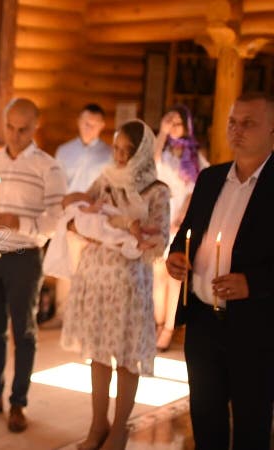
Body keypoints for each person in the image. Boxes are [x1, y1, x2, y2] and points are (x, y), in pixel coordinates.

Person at [166, 92, 274, 450]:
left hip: (256, 327)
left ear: (272, 129)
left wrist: (253, 283)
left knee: (251, 423)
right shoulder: (210, 178)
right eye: (232, 122)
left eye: (249, 123)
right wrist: (176, 258)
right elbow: (186, 236)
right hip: (202, 322)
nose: (237, 130)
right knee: (206, 418)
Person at [61, 119, 170, 450]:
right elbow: (79, 211)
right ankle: (98, 424)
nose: (120, 157)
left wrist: (125, 230)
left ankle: (120, 427)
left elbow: (160, 239)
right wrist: (89, 223)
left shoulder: (157, 190)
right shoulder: (106, 179)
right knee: (98, 354)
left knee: (125, 356)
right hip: (96, 278)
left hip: (128, 284)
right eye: (117, 149)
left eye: (128, 151)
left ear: (142, 153)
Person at [0, 98, 66, 432]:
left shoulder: (48, 168)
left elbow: (56, 220)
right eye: (10, 127)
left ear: (35, 127)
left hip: (24, 260)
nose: (15, 134)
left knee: (24, 332)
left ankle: (18, 403)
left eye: (23, 129)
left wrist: (19, 221)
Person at [45, 104, 113, 329]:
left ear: (102, 125)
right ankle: (63, 313)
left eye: (93, 124)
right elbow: (57, 183)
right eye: (85, 122)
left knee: (90, 266)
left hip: (94, 217)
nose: (88, 127)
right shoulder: (64, 151)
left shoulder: (108, 154)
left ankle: (87, 317)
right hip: (68, 215)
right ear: (78, 122)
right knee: (66, 261)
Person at [152, 104, 209, 351]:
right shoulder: (161, 151)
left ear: (187, 125)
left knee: (174, 275)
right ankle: (157, 321)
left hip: (181, 216)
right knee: (157, 274)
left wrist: (185, 215)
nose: (174, 126)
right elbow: (150, 164)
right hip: (160, 214)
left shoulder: (195, 155)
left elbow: (199, 187)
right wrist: (162, 133)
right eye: (169, 121)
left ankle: (169, 328)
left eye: (178, 122)